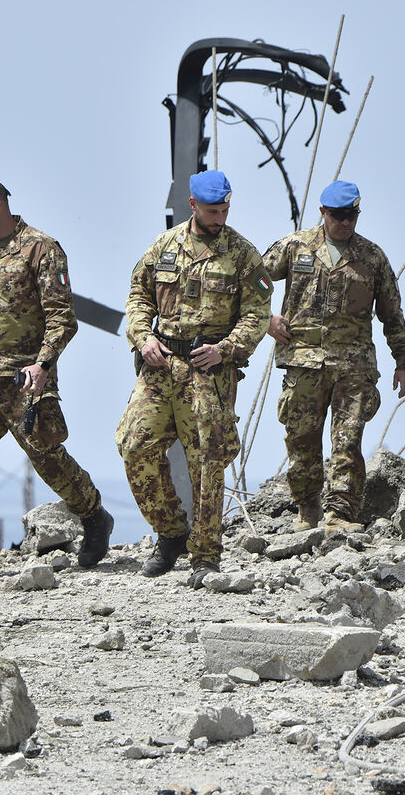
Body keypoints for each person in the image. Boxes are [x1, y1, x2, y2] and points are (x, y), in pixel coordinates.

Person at [0, 175, 112, 575]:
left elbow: (62, 319)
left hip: (24, 378)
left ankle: (94, 515)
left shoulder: (41, 249)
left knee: (47, 458)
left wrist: (43, 365)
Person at [116, 170, 271, 588]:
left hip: (208, 370)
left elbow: (257, 313)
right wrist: (143, 337)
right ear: (193, 205)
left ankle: (205, 555)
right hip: (161, 365)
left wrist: (227, 348)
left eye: (225, 210)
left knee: (207, 459)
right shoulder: (164, 246)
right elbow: (138, 296)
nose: (219, 218)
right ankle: (171, 532)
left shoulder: (241, 254)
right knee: (134, 444)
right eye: (212, 211)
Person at [263, 181, 405, 531]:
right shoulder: (295, 247)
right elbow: (251, 280)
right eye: (338, 215)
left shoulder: (372, 257)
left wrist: (403, 362)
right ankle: (308, 509)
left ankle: (340, 514)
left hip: (354, 365)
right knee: (301, 439)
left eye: (352, 215)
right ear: (323, 212)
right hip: (303, 361)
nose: (346, 222)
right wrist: (265, 320)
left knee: (348, 439)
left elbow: (392, 313)